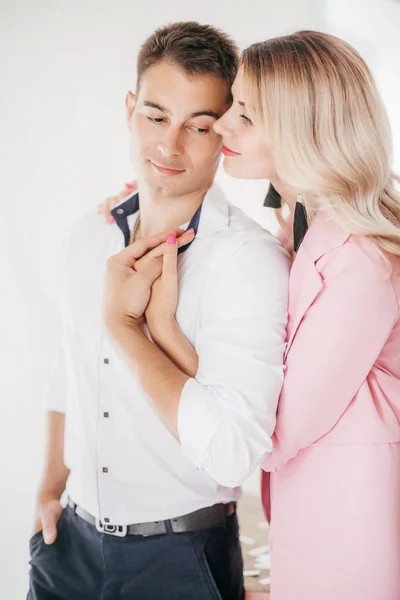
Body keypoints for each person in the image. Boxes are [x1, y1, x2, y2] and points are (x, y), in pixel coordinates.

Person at [109, 30, 399, 600]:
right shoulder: (305, 228)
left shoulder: (363, 258)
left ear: (303, 126)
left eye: (246, 113)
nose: (222, 125)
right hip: (313, 520)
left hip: (353, 528)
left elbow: (268, 430)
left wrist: (157, 329)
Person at [29, 22, 290, 600]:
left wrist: (134, 330)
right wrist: (49, 489)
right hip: (65, 550)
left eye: (198, 126)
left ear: (224, 132)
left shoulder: (249, 262)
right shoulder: (89, 237)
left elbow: (232, 450)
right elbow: (64, 370)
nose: (170, 147)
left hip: (179, 558)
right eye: (155, 116)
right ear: (129, 109)